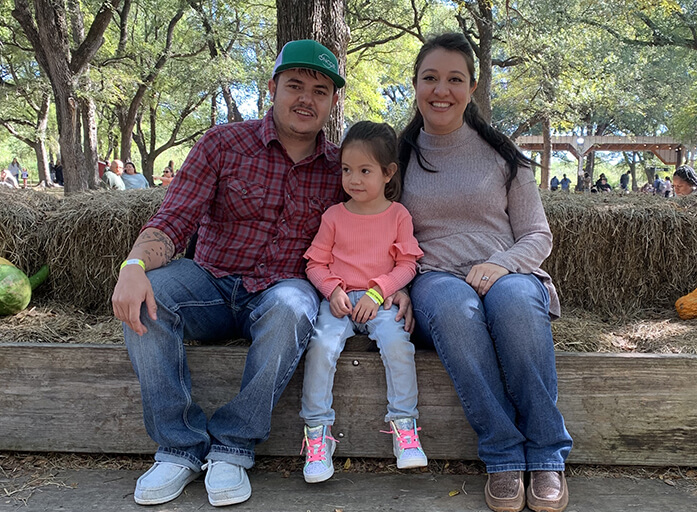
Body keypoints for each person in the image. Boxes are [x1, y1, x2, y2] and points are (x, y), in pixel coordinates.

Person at [111, 39, 349, 507]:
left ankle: (233, 446)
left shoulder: (341, 168)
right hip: (210, 281)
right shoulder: (223, 143)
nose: (306, 98)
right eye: (295, 85)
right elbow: (174, 218)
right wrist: (134, 264)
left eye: (320, 90)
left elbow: (370, 232)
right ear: (272, 88)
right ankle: (178, 448)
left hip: (281, 287)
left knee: (294, 307)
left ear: (333, 101)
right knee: (149, 295)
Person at [398, 33, 572, 512]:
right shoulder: (398, 156)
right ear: (414, 85)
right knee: (456, 308)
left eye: (455, 79)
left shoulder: (502, 154)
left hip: (506, 272)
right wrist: (396, 284)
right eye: (430, 78)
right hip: (434, 280)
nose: (441, 90)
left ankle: (546, 452)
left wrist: (502, 264)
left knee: (515, 303)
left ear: (471, 88)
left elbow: (538, 235)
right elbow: (376, 230)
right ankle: (501, 455)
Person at [299, 121, 426, 483]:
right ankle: (317, 434)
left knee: (398, 343)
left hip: (379, 300)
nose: (353, 179)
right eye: (346, 170)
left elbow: (407, 264)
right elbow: (315, 263)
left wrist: (378, 291)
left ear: (388, 173)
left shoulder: (398, 215)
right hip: (339, 301)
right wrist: (332, 291)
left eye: (365, 170)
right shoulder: (334, 216)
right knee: (321, 345)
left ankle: (405, 427)